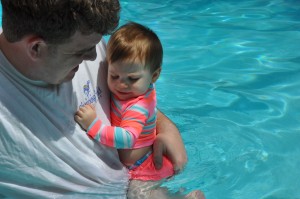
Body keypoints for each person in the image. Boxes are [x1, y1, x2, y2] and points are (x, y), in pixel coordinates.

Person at [0, 0, 190, 198]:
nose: (94, 57)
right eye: (80, 53)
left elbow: (133, 98)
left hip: (142, 176)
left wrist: (166, 127)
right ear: (36, 48)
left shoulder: (83, 35)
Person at [75, 22, 205, 199]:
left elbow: (127, 138)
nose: (122, 84)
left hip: (144, 167)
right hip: (145, 161)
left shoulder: (137, 106)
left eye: (132, 78)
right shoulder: (133, 91)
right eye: (114, 75)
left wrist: (93, 125)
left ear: (154, 76)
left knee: (139, 195)